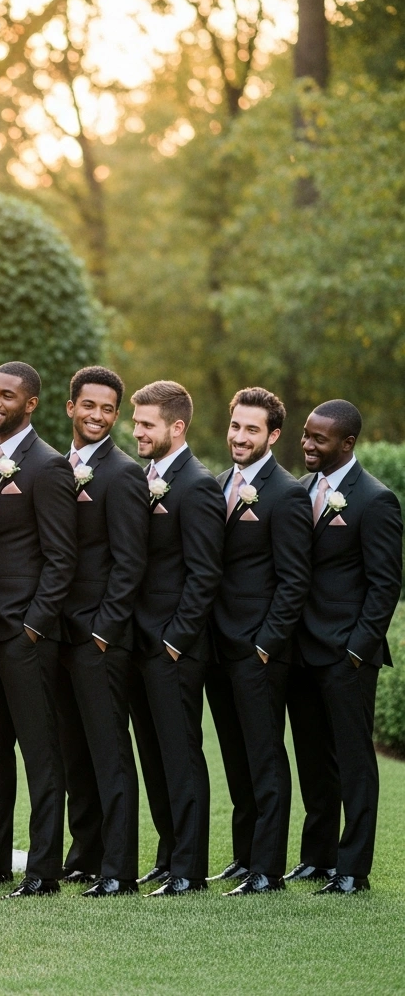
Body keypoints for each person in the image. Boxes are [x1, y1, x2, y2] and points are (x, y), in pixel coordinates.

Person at [0, 362, 76, 898]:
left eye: (6, 395)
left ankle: (43, 870)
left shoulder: (49, 467)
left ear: (29, 404)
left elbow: (61, 559)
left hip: (25, 636)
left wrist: (33, 627)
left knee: (40, 753)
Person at [286, 400, 402, 894]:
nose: (307, 444)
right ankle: (318, 857)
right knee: (313, 758)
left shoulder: (375, 500)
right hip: (301, 650)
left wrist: (356, 650)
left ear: (347, 443)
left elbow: (385, 585)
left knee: (354, 762)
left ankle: (353, 869)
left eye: (319, 438)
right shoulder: (303, 490)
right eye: (306, 435)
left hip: (347, 656)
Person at [205, 388, 312, 896]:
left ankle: (267, 871)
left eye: (252, 429)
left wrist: (266, 644)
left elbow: (295, 579)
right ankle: (245, 855)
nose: (240, 437)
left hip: (259, 652)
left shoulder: (286, 493)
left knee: (266, 759)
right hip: (218, 648)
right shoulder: (222, 482)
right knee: (236, 757)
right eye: (235, 427)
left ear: (272, 436)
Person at [129, 381, 225, 896]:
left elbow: (205, 573)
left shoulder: (197, 485)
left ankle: (189, 870)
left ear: (177, 427)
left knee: (183, 757)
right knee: (155, 757)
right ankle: (168, 857)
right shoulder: (145, 476)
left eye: (147, 424)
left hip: (174, 648)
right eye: (137, 423)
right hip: (139, 643)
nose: (137, 431)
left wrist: (175, 640)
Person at [56, 366, 148, 897]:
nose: (97, 416)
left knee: (111, 754)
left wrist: (103, 632)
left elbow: (130, 563)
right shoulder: (56, 466)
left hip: (98, 638)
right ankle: (85, 854)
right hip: (59, 636)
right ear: (71, 407)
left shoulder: (123, 473)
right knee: (76, 753)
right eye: (88, 406)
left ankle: (119, 870)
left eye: (108, 409)